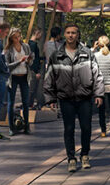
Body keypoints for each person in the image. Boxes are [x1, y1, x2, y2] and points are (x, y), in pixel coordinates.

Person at [44, 23, 104, 172]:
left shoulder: (87, 54)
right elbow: (49, 77)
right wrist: (50, 98)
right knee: (68, 129)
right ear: (64, 35)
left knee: (86, 128)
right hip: (66, 98)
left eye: (74, 33)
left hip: (84, 97)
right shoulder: (56, 55)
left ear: (78, 35)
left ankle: (85, 155)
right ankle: (71, 158)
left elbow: (97, 74)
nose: (71, 35)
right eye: (68, 33)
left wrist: (98, 93)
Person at [4, 28, 32, 135]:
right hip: (13, 77)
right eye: (15, 37)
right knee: (11, 103)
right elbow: (7, 66)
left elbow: (30, 62)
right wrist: (18, 61)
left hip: (25, 76)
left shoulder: (26, 46)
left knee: (26, 102)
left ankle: (26, 126)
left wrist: (29, 60)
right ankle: (11, 127)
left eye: (19, 36)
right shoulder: (9, 50)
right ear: (11, 38)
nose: (18, 39)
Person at [94, 35, 110, 138]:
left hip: (100, 86)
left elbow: (94, 72)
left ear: (98, 44)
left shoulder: (95, 56)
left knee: (101, 110)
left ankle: (103, 130)